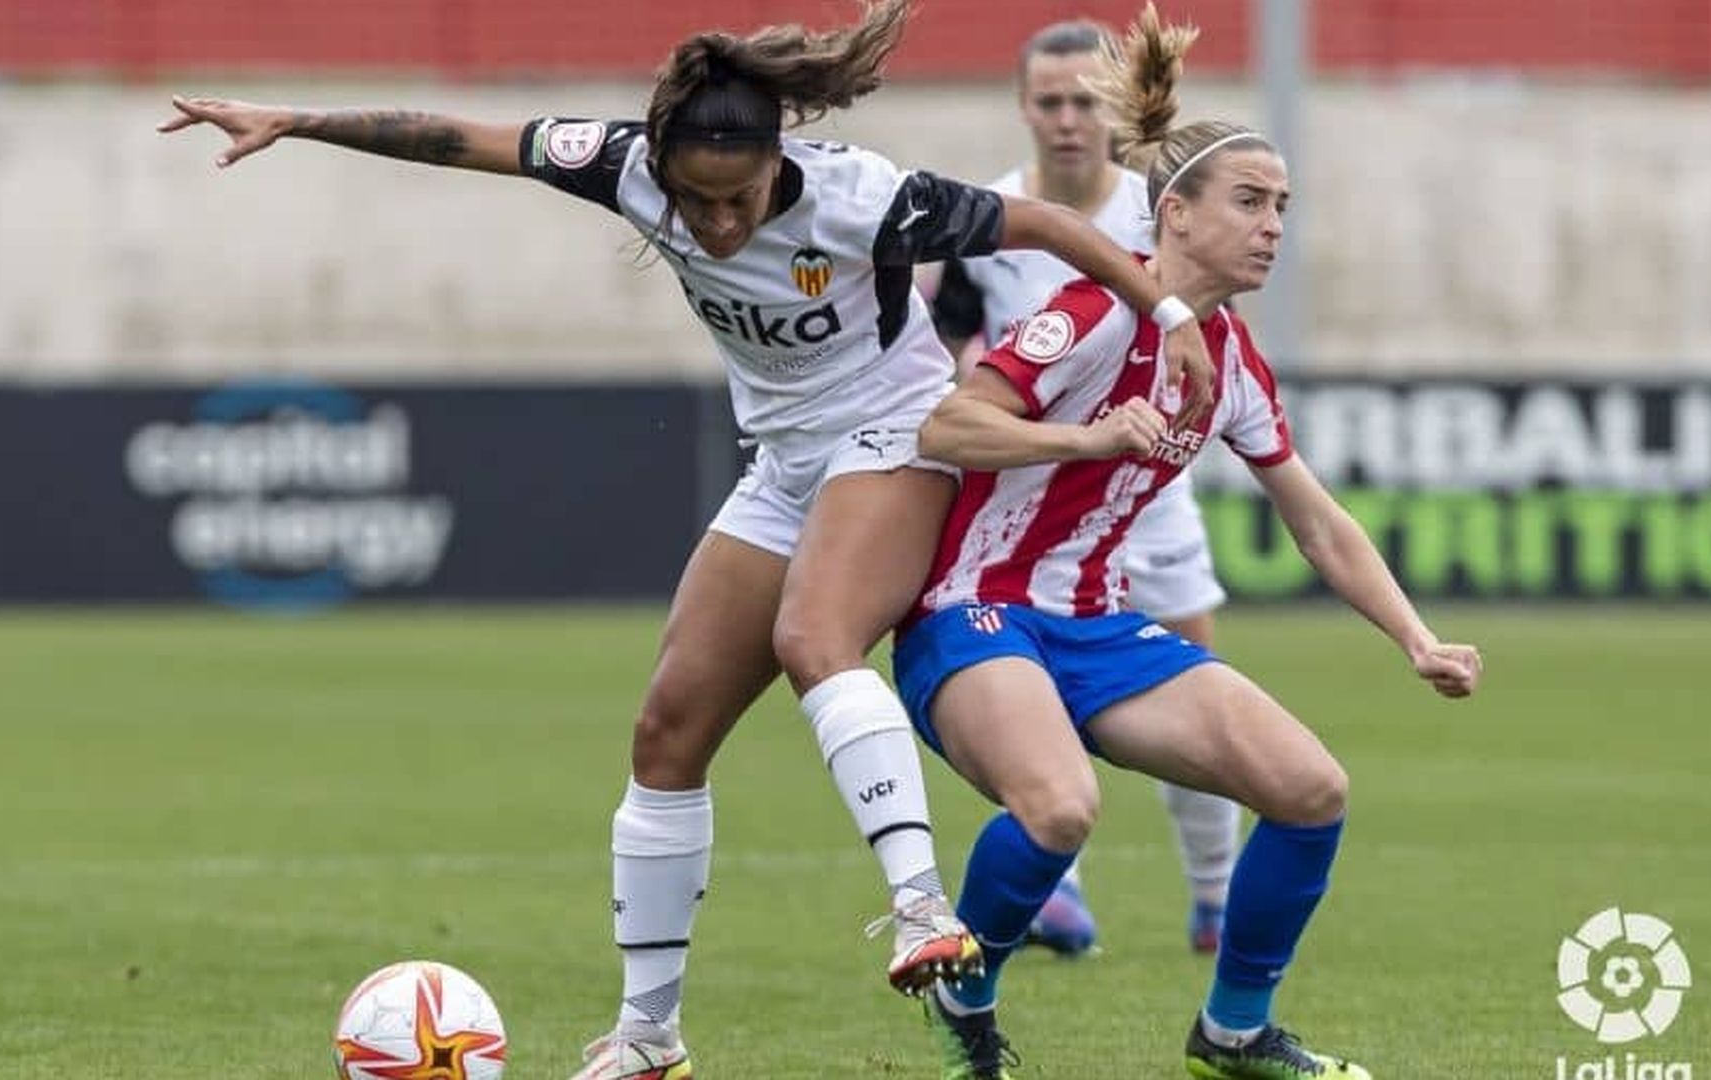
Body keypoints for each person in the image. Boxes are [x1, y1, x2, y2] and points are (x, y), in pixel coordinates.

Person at [158, 3, 1216, 1077]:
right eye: (696, 201)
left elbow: (1048, 228)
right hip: (786, 463)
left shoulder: (863, 198)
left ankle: (918, 910)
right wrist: (295, 118)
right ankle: (649, 1036)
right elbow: (459, 140)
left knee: (817, 638)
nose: (716, 225)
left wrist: (1169, 319)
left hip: (896, 435)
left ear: (778, 165)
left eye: (740, 199)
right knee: (667, 731)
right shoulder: (624, 165)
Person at [892, 8, 1482, 1079]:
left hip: (1097, 629)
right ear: (1176, 214)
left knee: (1312, 790)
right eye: (1251, 203)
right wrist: (1085, 432)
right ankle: (966, 998)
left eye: (1283, 208)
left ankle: (1235, 1031)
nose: (1272, 227)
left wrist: (1415, 638)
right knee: (1063, 806)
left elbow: (1315, 518)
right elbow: (948, 424)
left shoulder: (1233, 357)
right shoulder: (1093, 307)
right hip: (972, 612)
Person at [928, 17, 1239, 960]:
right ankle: (1056, 887)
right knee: (1026, 680)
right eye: (1050, 101)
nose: (1068, 119)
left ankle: (1214, 897)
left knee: (1196, 684)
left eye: (1084, 102)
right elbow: (949, 343)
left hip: (1144, 489)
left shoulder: (1157, 214)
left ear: (1111, 111)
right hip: (1027, 495)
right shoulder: (988, 213)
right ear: (1024, 107)